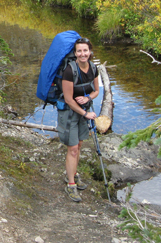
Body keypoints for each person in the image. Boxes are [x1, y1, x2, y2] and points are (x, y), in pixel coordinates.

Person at [58, 37, 99, 202]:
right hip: (69, 113)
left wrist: (88, 97)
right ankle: (71, 185)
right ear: (75, 53)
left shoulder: (94, 68)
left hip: (83, 110)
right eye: (79, 51)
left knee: (79, 144)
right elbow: (68, 99)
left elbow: (96, 90)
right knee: (73, 148)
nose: (83, 54)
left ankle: (72, 174)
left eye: (85, 50)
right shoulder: (70, 71)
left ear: (90, 52)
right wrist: (85, 113)